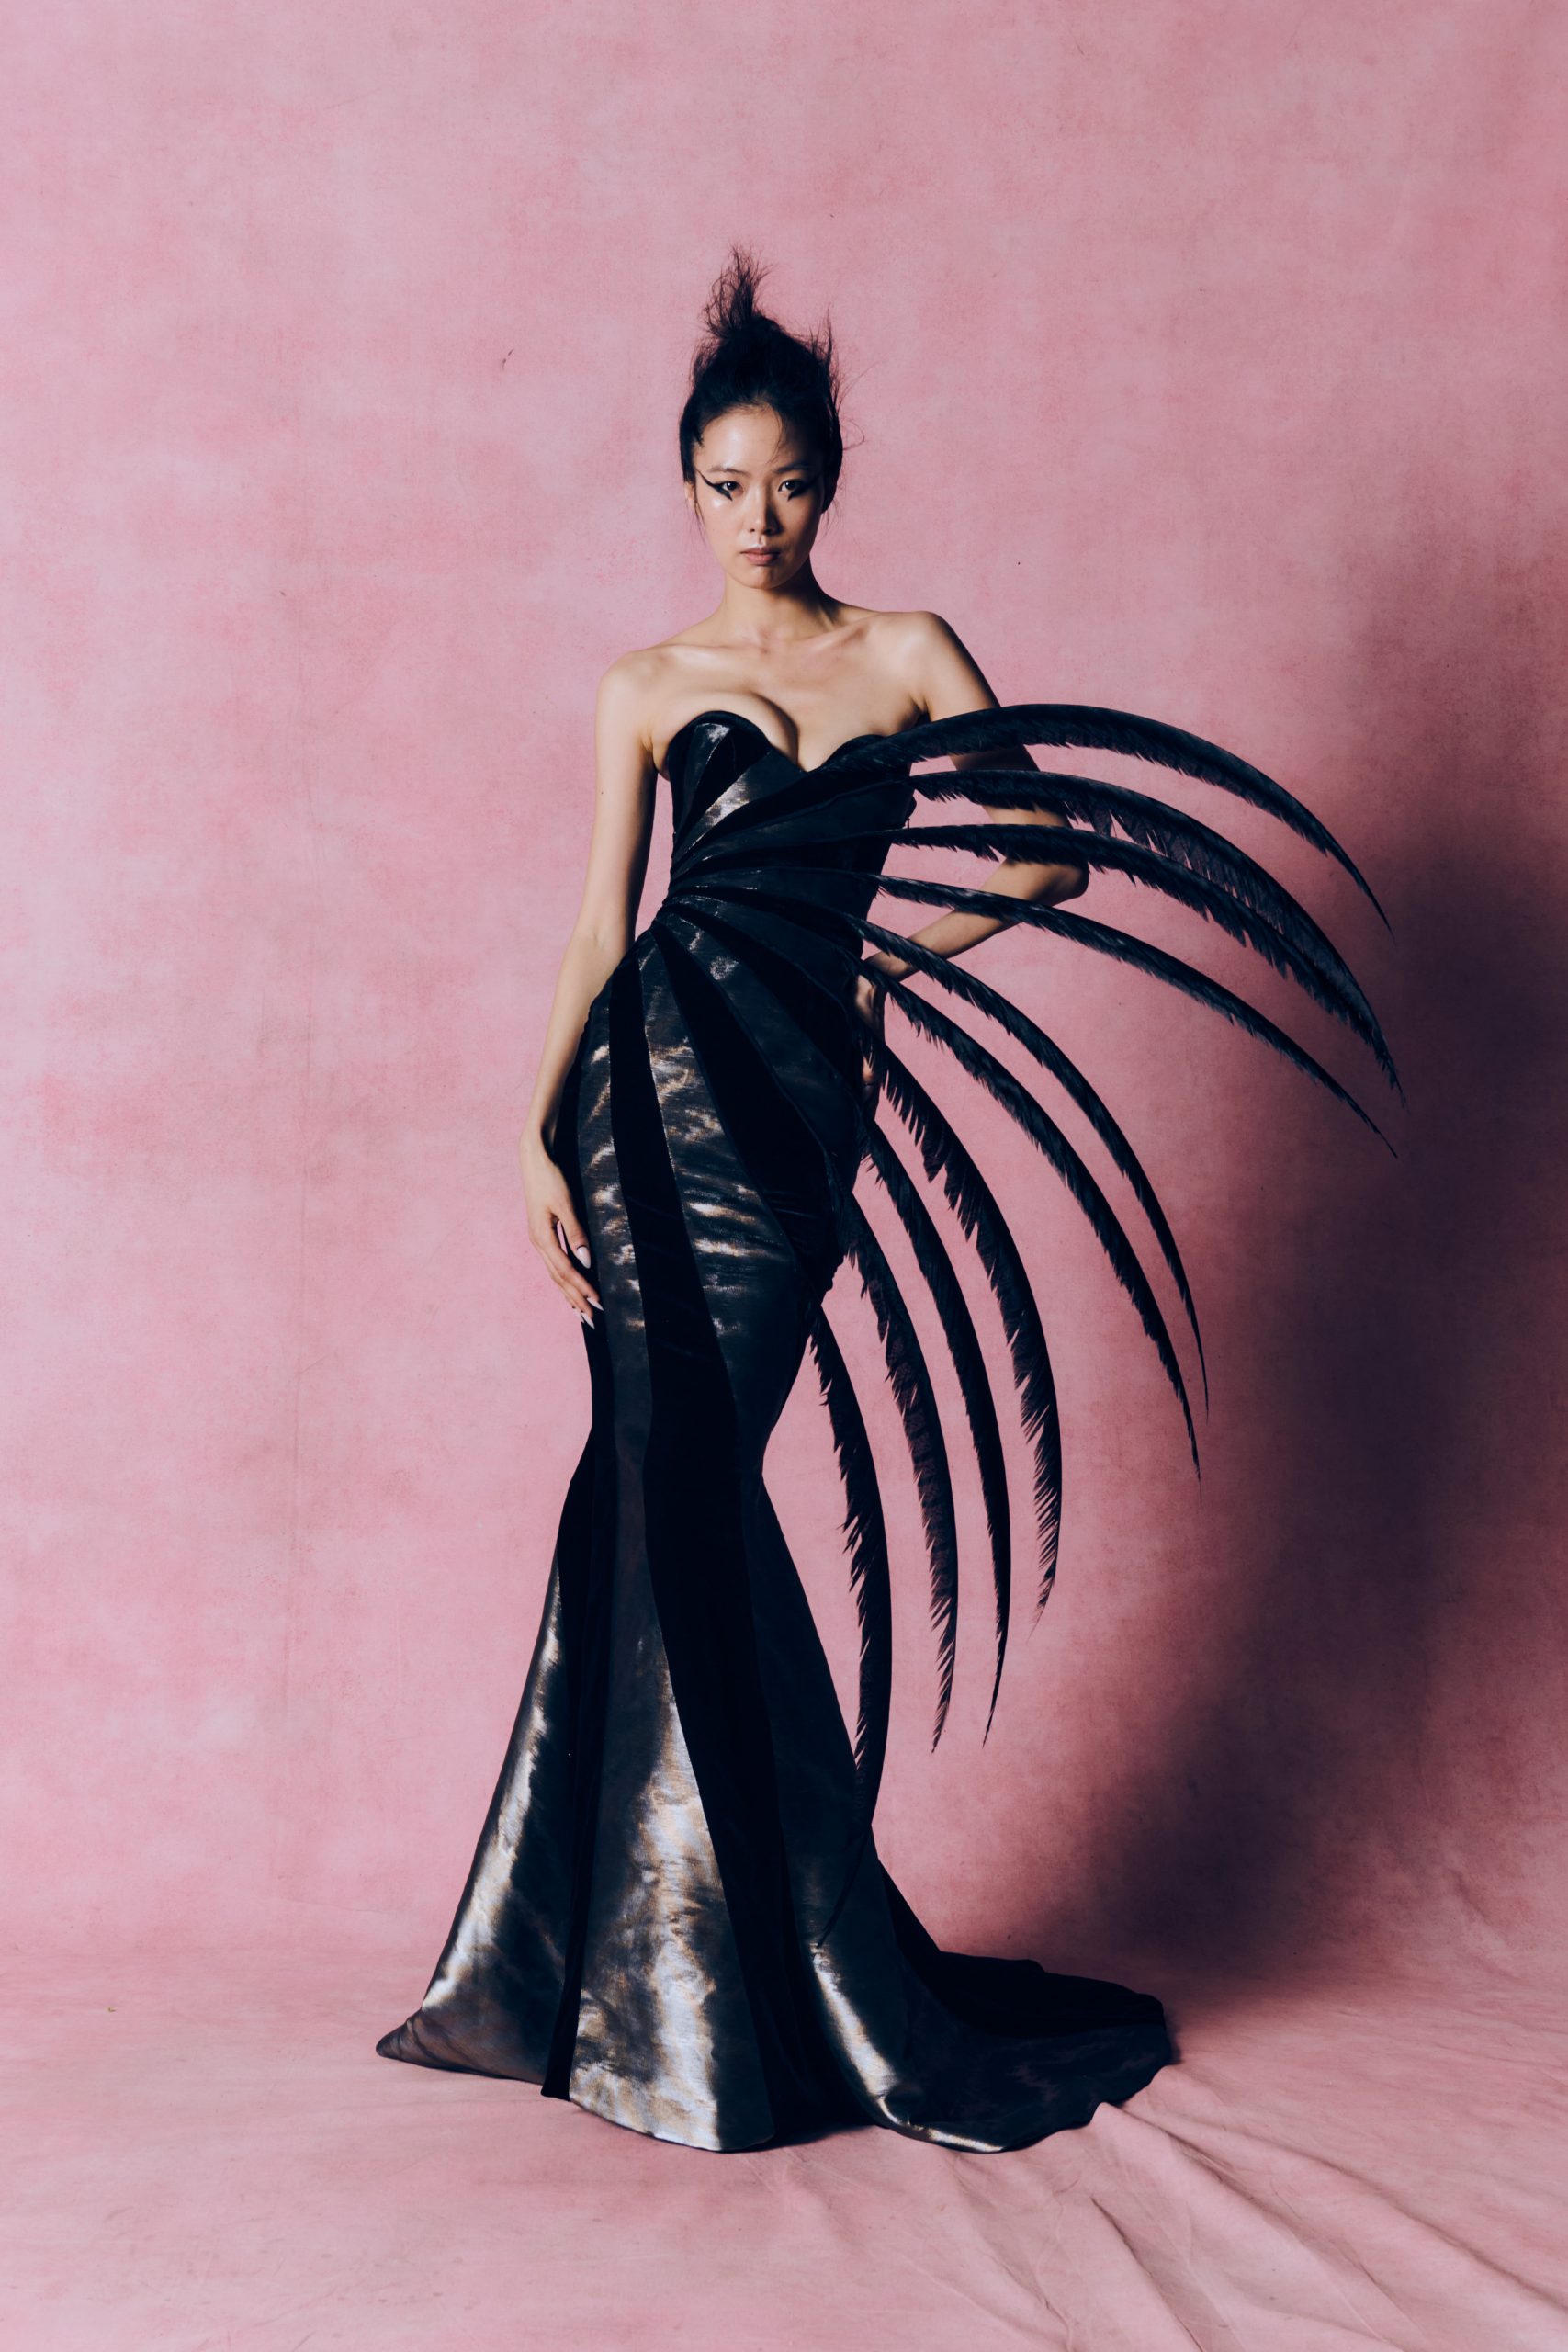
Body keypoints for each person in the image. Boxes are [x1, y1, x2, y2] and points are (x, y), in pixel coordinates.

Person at [376, 249, 1393, 2153]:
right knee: (645, 1484)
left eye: (785, 482)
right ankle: (631, 1972)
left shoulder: (907, 651)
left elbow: (1044, 855)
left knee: (681, 1483)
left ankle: (712, 1974)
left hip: (791, 1115)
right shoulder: (645, 684)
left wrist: (885, 960)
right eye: (721, 485)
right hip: (639, 1096)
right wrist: (529, 1129)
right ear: (684, 487)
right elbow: (598, 924)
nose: (754, 517)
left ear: (828, 480)